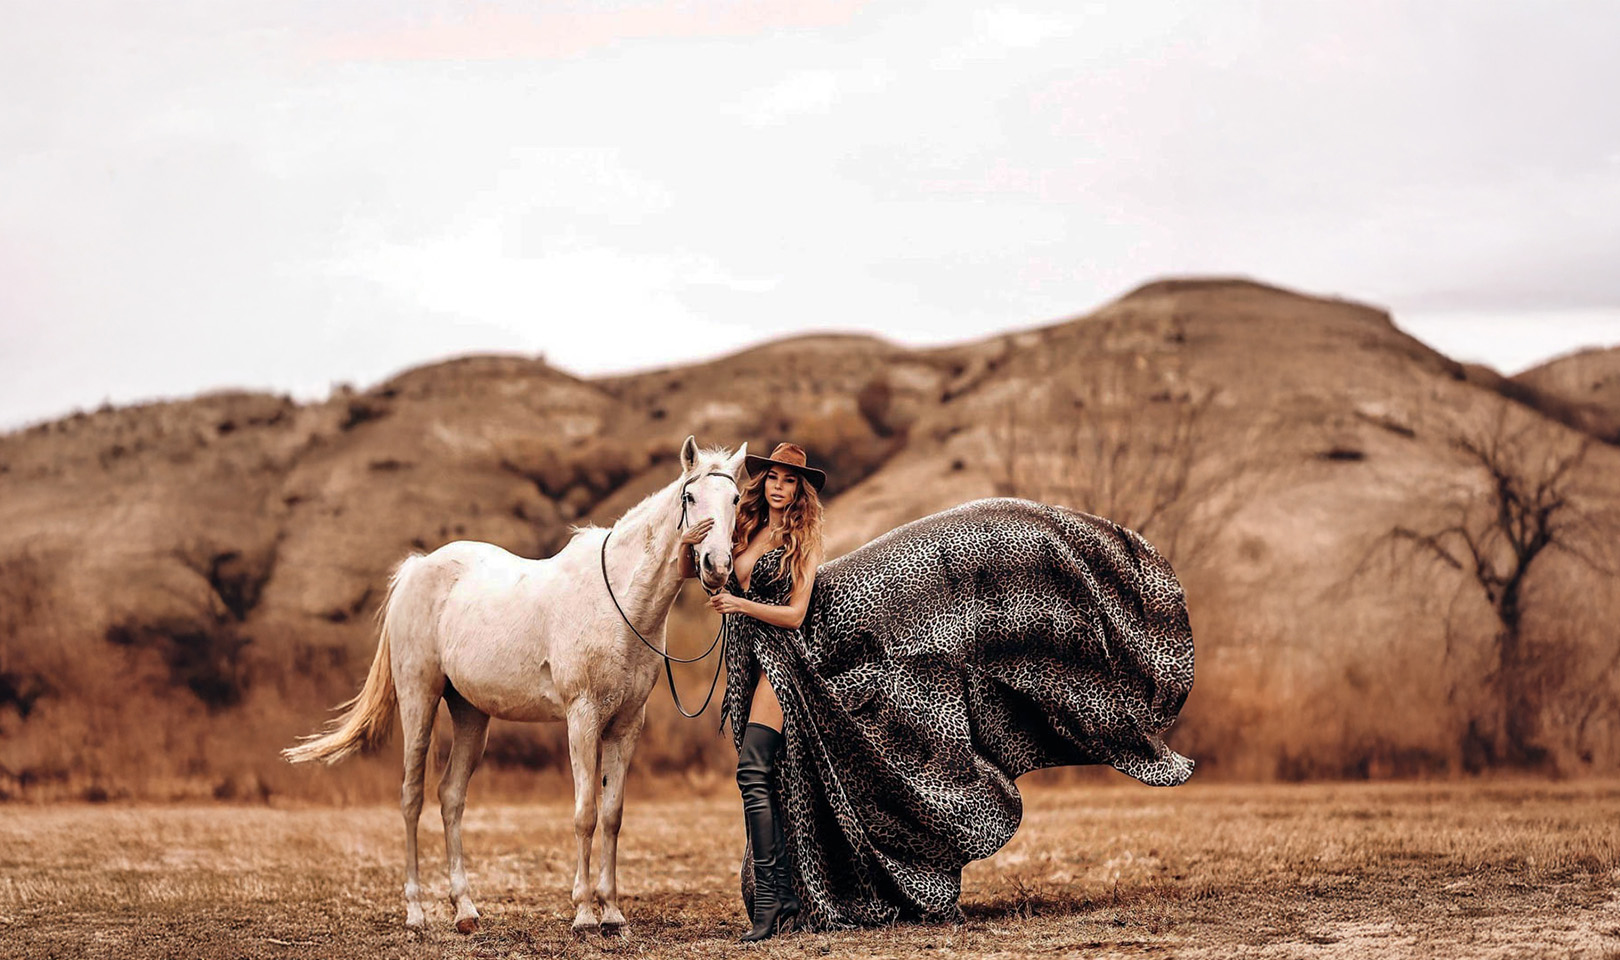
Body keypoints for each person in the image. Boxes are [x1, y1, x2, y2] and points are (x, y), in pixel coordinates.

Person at [679, 442, 1195, 940]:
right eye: (773, 478)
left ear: (800, 491)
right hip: (750, 661)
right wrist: (689, 547)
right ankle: (785, 896)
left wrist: (742, 607)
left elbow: (794, 615)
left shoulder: (803, 540)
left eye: (790, 481)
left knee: (753, 767)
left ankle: (772, 905)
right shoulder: (742, 529)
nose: (779, 488)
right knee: (773, 777)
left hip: (789, 663)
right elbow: (703, 577)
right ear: (762, 481)